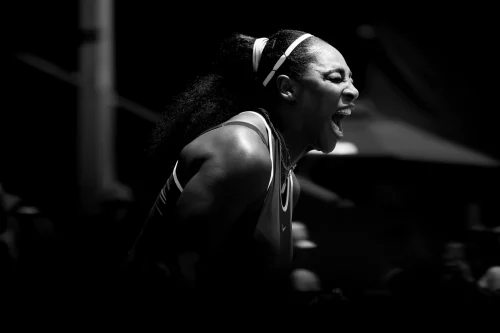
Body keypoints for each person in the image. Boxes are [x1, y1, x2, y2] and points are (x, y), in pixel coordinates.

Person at [121, 29, 359, 313]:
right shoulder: (243, 153)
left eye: (351, 79)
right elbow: (168, 273)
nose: (353, 90)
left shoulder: (287, 179)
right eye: (335, 78)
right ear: (288, 89)